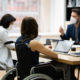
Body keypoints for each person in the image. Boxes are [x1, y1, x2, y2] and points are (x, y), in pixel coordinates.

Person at [0, 14, 16, 80]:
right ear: (7, 22)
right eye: (12, 23)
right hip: (2, 57)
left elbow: (6, 42)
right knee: (17, 66)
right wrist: (19, 46)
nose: (12, 25)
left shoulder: (1, 29)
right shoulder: (3, 31)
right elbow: (9, 45)